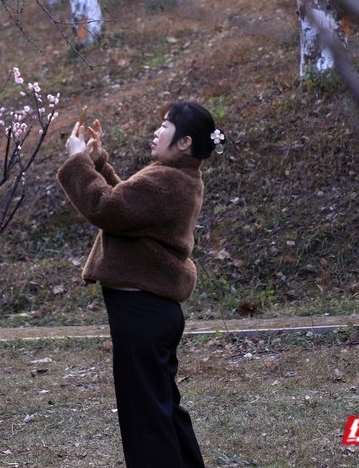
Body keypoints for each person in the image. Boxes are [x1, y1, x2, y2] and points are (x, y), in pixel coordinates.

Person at [57, 99, 223, 467]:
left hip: (142, 313)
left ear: (184, 142)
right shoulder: (177, 178)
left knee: (145, 419)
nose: (157, 131)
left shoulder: (166, 180)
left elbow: (107, 208)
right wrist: (98, 163)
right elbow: (128, 209)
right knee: (161, 409)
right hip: (151, 312)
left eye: (165, 125)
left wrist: (78, 161)